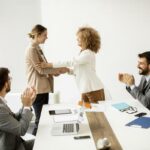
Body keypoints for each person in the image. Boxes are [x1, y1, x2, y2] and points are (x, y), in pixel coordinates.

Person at [38, 26, 105, 104]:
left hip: (94, 90)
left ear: (86, 39)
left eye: (79, 37)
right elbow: (81, 71)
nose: (77, 39)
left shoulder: (88, 53)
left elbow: (71, 62)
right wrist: (68, 70)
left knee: (96, 114)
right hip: (85, 89)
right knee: (86, 112)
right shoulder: (82, 53)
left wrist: (49, 65)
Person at [25, 24, 69, 135]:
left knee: (43, 119)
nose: (46, 37)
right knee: (40, 121)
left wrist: (54, 72)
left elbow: (45, 67)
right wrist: (57, 71)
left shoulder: (37, 48)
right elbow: (40, 69)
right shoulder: (31, 49)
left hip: (43, 88)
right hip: (38, 89)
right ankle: (35, 144)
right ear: (38, 35)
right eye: (45, 35)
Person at [0, 67, 36, 150]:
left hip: (18, 144)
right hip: (13, 147)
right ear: (6, 84)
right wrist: (26, 106)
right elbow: (21, 130)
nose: (10, 81)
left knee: (42, 141)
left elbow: (14, 119)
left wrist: (28, 103)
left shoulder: (2, 103)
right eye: (10, 79)